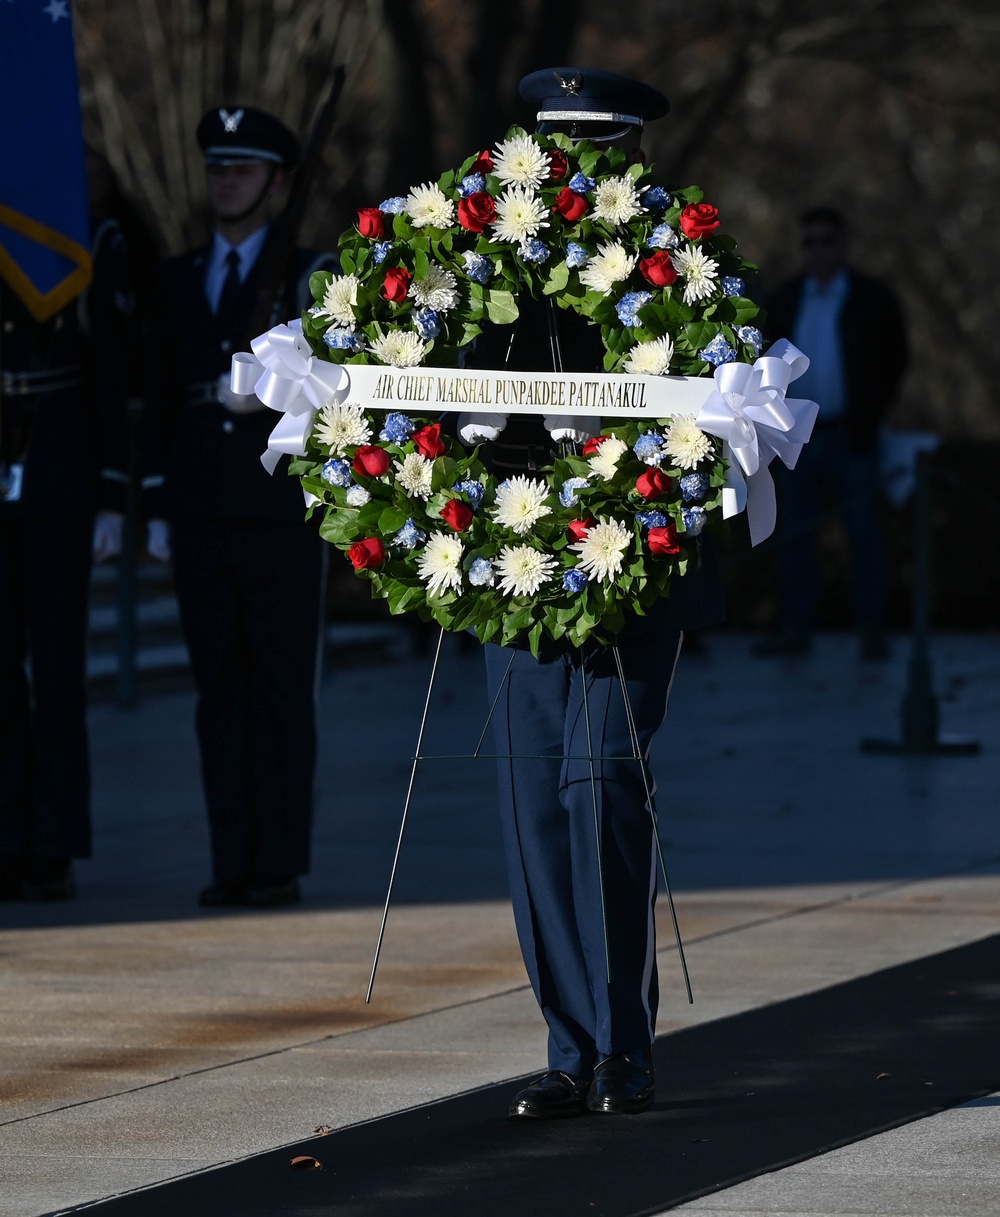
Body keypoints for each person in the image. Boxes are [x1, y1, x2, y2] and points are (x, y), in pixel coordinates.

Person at [467, 68, 725, 1118]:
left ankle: (625, 1041)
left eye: (598, 149)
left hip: (634, 556)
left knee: (598, 780)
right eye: (559, 149)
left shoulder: (675, 266)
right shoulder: (485, 261)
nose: (576, 168)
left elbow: (714, 400)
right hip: (509, 551)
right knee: (534, 805)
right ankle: (570, 1046)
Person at [143, 106, 336, 909]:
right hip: (197, 504)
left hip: (278, 505)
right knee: (218, 686)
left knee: (282, 689)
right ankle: (232, 858)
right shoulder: (179, 277)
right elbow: (154, 395)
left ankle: (278, 860)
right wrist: (151, 498)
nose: (228, 181)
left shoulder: (307, 275)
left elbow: (339, 381)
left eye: (245, 170)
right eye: (219, 168)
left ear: (277, 182)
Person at [1, 193, 135, 901]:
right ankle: (7, 836)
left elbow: (111, 370)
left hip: (59, 470)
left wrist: (113, 489)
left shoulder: (83, 228)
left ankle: (52, 843)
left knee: (56, 671)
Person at [756, 206, 908, 659]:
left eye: (827, 240)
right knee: (796, 536)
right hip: (797, 436)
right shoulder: (784, 299)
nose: (818, 250)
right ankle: (796, 630)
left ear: (843, 244)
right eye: (810, 241)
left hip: (851, 433)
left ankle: (871, 631)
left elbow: (895, 359)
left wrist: (872, 413)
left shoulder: (872, 298)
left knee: (864, 533)